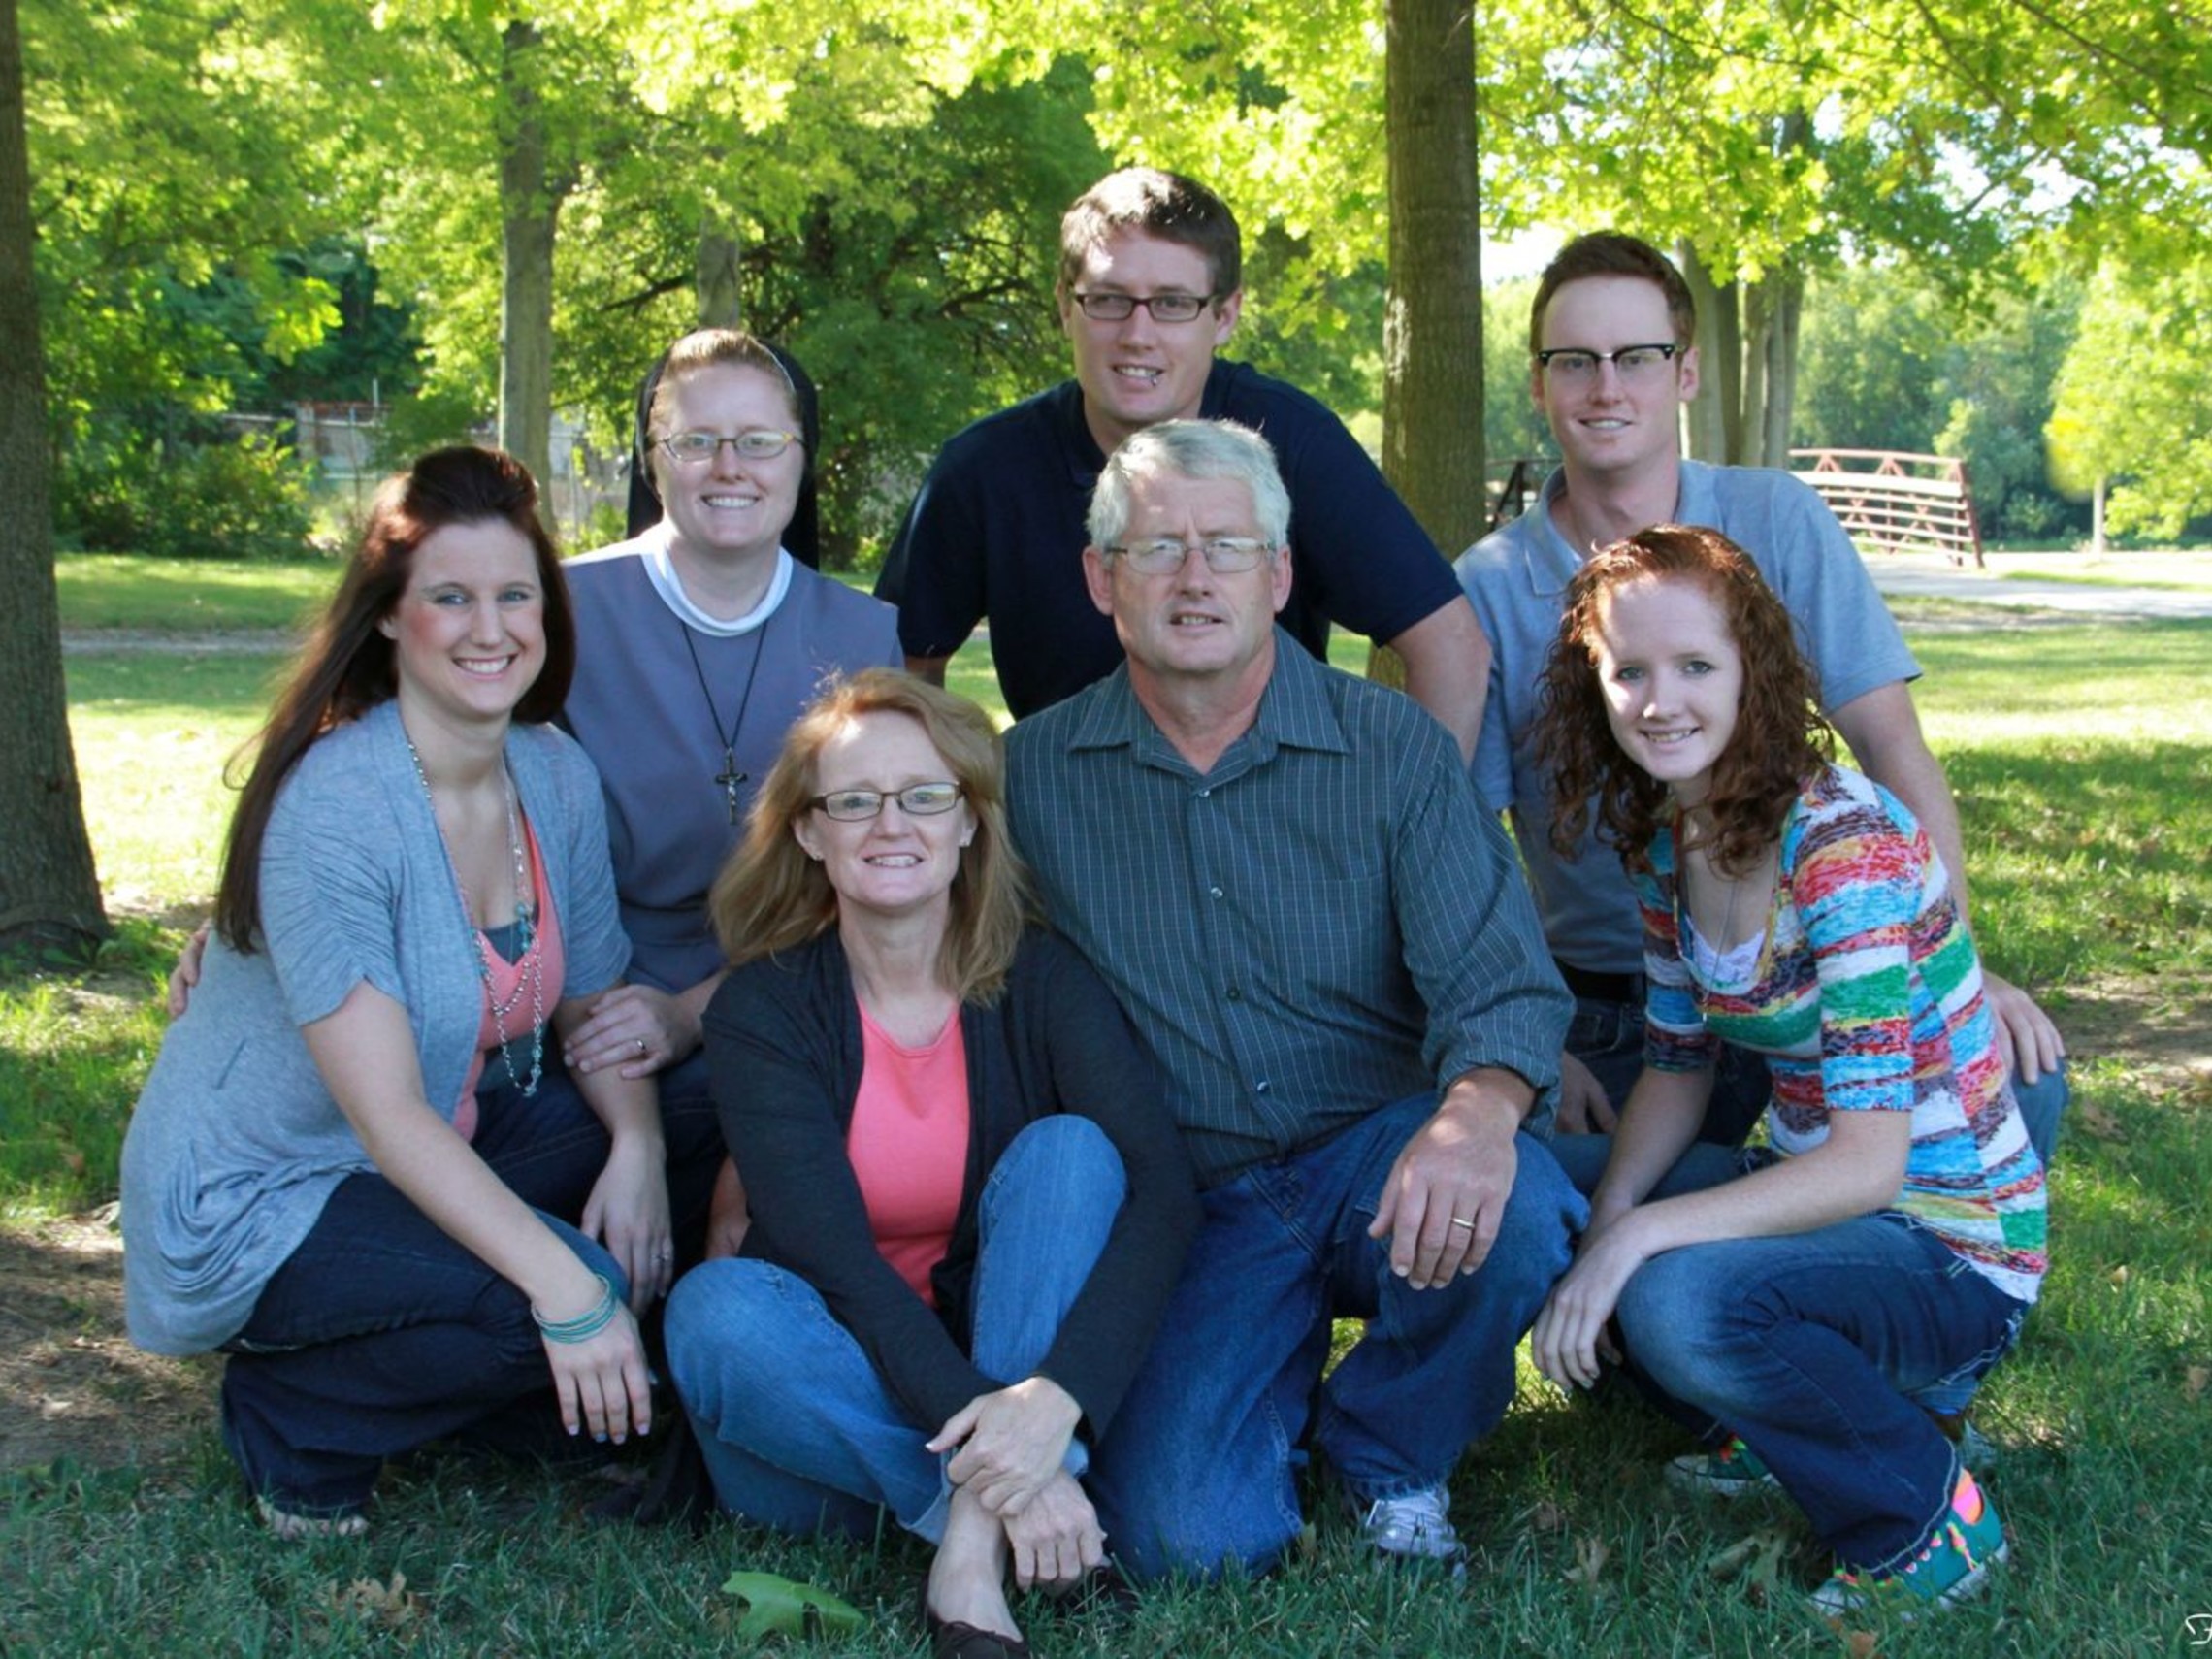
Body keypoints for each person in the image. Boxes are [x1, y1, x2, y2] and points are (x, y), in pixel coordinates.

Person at [1002, 419, 1580, 1581]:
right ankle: (1272, 1395)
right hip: (1194, 1202)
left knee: (1514, 1203)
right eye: (1157, 547)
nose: (1195, 577)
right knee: (1186, 1542)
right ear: (1101, 579)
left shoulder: (1393, 748)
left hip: (1380, 1156)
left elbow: (1503, 983)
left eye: (1227, 546)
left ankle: (1389, 1446)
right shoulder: (1030, 781)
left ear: (1278, 574)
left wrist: (1475, 1117)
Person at [123, 448, 685, 1539]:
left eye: (515, 595)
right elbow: (385, 1116)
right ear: (388, 615)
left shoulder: (553, 772)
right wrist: (574, 1292)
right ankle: (292, 1413)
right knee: (556, 1293)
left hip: (440, 1136)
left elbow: (595, 1002)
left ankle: (515, 1394)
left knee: (699, 1103)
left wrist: (640, 1148)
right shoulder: (339, 807)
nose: (491, 629)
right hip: (268, 1192)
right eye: (451, 598)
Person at [1525, 525, 2047, 1615]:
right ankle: (1779, 1421)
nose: (1660, 702)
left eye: (1695, 665)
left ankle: (1925, 1524)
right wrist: (1604, 1222)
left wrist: (1633, 1244)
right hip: (1824, 1203)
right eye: (1629, 671)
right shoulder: (1669, 839)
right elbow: (1676, 1066)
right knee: (1549, 1194)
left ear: (1752, 672)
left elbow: (1867, 1166)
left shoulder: (1841, 849)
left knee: (1677, 1300)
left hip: (1949, 1239)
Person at [1453, 231, 2066, 1149]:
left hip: (1822, 965)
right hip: (1609, 1010)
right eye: (1573, 361)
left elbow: (1891, 746)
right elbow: (1464, 843)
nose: (1606, 387)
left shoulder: (1777, 518)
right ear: (1538, 384)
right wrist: (1528, 1031)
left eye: (1636, 357)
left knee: (2019, 1084)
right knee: (1553, 1199)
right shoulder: (1488, 586)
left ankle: (1844, 1222)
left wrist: (1950, 960)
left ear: (1687, 372)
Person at [666, 671, 1197, 1659]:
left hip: (1021, 1385)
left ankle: (966, 1556)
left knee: (1074, 1155)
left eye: (923, 795)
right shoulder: (763, 1010)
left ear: (968, 822)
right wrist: (1010, 1457)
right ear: (809, 833)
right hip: (824, 1419)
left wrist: (1054, 1399)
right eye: (853, 801)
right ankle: (1016, 1512)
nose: (889, 825)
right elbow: (834, 1263)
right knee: (714, 1312)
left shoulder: (1043, 979)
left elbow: (1165, 1195)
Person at [876, 166, 1492, 759]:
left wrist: (1417, 816)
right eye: (1109, 299)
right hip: (1066, 812)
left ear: (1225, 315)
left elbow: (1451, 646)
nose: (1137, 334)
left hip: (1275, 810)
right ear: (1065, 305)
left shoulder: (1295, 444)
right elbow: (899, 673)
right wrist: (949, 810)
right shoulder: (984, 470)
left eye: (1172, 303)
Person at [556, 329, 902, 1243]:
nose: (729, 467)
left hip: (797, 999)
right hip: (588, 1009)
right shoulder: (558, 612)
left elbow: (878, 889)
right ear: (651, 457)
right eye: (696, 441)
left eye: (759, 441)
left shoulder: (866, 635)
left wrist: (690, 1015)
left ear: (801, 456)